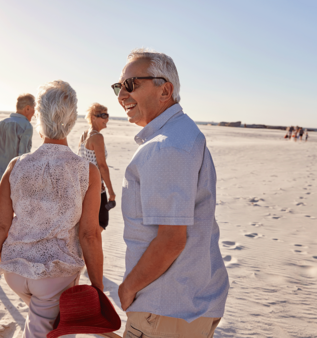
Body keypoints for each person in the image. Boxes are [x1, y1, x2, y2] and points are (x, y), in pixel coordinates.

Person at [0, 80, 104, 338]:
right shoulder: (87, 171)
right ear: (72, 118)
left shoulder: (16, 165)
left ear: (39, 117)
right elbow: (90, 234)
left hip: (14, 271)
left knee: (39, 322)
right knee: (47, 329)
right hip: (54, 275)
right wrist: (97, 288)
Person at [112, 48, 229, 338]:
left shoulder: (166, 146)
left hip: (165, 309)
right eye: (118, 87)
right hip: (188, 303)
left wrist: (127, 290)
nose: (121, 95)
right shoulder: (181, 134)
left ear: (165, 90)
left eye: (131, 84)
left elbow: (171, 240)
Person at [0, 93, 35, 265]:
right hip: (11, 183)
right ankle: (4, 259)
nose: (34, 115)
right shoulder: (25, 126)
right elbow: (23, 156)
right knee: (9, 222)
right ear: (27, 109)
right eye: (33, 111)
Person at [78, 103, 116, 231]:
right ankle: (92, 251)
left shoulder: (84, 135)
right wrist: (110, 191)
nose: (107, 119)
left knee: (86, 223)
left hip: (83, 186)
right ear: (93, 117)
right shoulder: (97, 137)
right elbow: (102, 166)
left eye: (107, 115)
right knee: (101, 222)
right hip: (96, 187)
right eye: (103, 116)